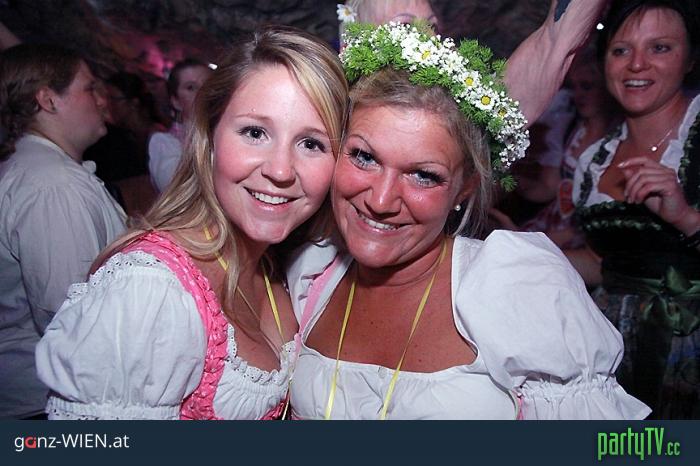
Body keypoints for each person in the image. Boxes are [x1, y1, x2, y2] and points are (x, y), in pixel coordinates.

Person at [286, 22, 650, 420]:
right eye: (364, 157)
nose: (381, 200)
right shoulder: (309, 274)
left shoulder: (515, 287)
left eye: (423, 175)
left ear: (464, 189)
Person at [36, 25, 348, 420]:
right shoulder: (148, 289)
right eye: (255, 132)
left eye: (311, 143)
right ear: (210, 137)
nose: (281, 170)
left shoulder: (276, 266)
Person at [572, 0, 700, 418]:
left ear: (691, 59)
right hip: (613, 346)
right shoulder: (595, 159)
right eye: (621, 50)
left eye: (660, 48)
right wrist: (524, 249)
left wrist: (686, 218)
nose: (637, 65)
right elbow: (602, 263)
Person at [0, 44, 127, 419]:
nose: (101, 99)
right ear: (48, 100)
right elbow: (71, 316)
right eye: (89, 88)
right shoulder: (53, 185)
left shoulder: (41, 170)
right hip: (52, 404)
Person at [337, 0, 609, 127]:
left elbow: (553, 41)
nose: (429, 40)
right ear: (352, 46)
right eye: (406, 26)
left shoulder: (462, 122)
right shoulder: (330, 116)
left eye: (433, 28)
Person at [493, 47, 621, 250]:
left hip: (585, 238)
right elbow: (550, 188)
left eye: (587, 87)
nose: (579, 95)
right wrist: (506, 182)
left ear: (607, 88)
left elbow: (599, 223)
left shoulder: (619, 141)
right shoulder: (573, 128)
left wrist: (530, 243)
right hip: (555, 221)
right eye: (575, 87)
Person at [148, 58, 211, 192]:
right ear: (176, 101)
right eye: (191, 87)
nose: (202, 93)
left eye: (208, 85)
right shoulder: (165, 143)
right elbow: (177, 190)